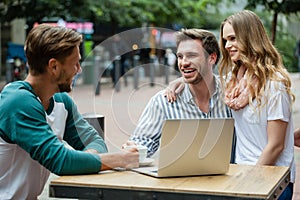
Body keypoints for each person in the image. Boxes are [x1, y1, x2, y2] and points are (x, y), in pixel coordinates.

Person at [165, 10, 295, 200]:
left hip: (271, 183)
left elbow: (275, 145)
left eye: (233, 39)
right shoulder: (236, 80)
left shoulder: (274, 83)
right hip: (242, 175)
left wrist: (252, 184)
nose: (227, 46)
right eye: (225, 40)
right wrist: (180, 81)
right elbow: (207, 79)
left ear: (250, 37)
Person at [0, 24, 139, 199]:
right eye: (75, 63)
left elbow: (94, 140)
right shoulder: (18, 102)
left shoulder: (60, 101)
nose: (79, 69)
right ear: (54, 66)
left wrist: (89, 159)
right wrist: (120, 159)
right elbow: (60, 161)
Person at [124, 29, 232, 157]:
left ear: (212, 58)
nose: (183, 63)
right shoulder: (163, 102)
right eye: (180, 56)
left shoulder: (232, 93)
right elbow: (143, 142)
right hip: (182, 177)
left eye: (192, 55)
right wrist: (135, 149)